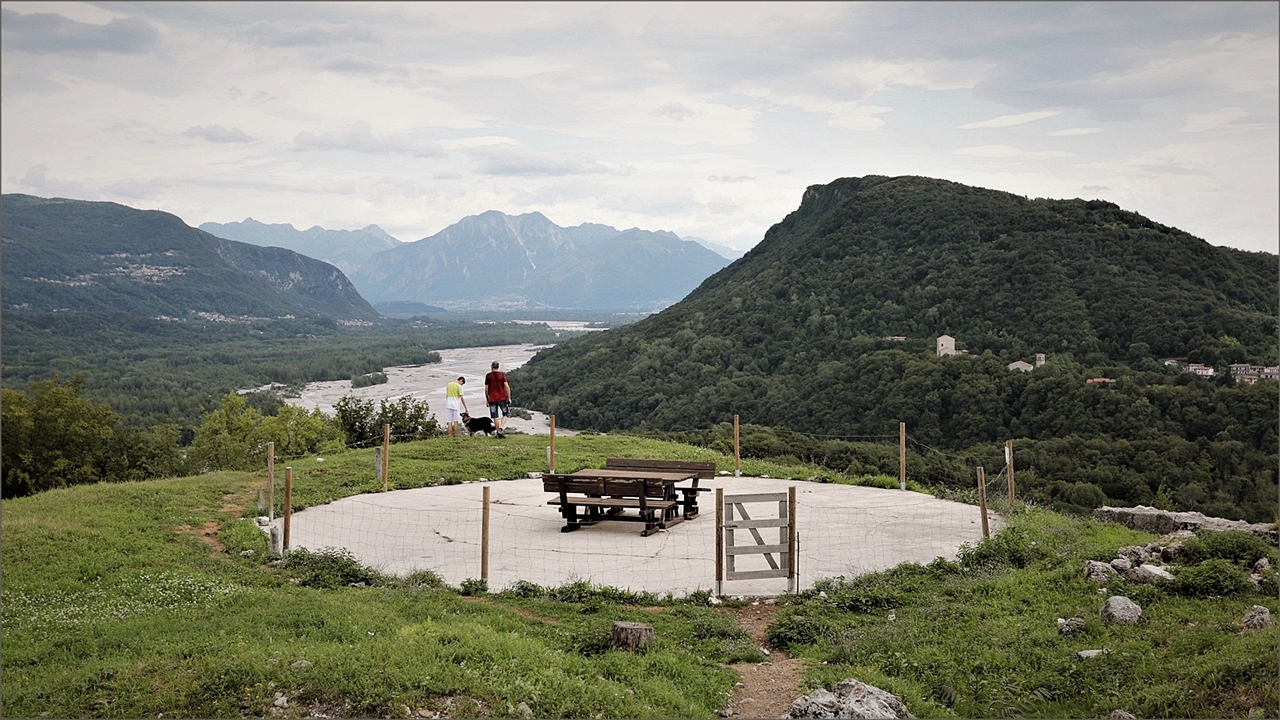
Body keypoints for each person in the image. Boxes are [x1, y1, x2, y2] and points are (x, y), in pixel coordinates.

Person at [484, 360, 511, 438]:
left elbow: (486, 389)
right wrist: (509, 397)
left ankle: (498, 431)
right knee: (506, 413)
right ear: (498, 367)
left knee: (495, 415)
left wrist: (487, 399)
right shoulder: (502, 375)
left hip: (492, 398)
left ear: (491, 367)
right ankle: (501, 428)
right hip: (502, 397)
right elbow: (506, 386)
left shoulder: (488, 376)